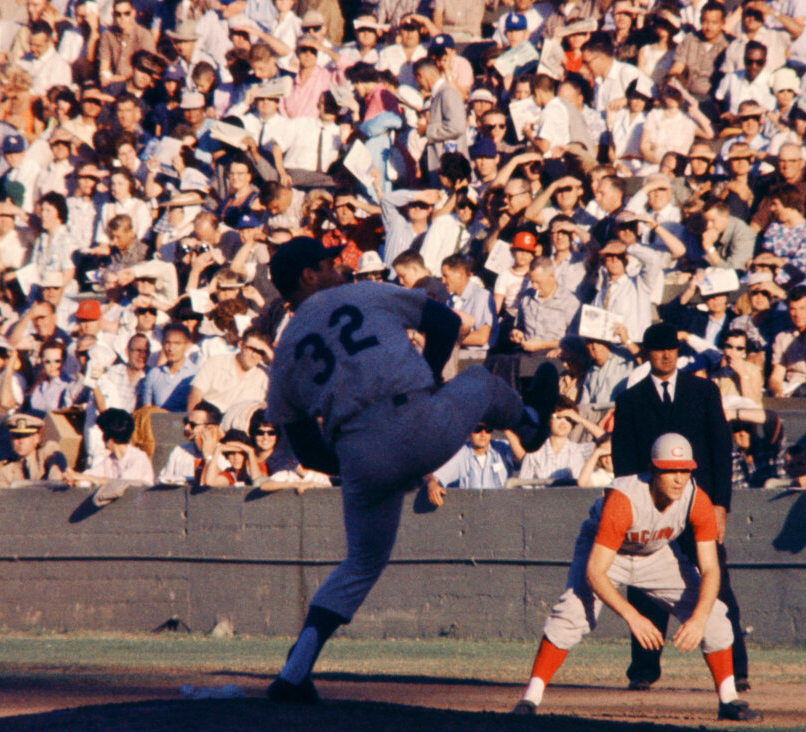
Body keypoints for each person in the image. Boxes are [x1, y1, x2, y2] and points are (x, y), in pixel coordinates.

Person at [262, 236, 557, 703]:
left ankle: (292, 676)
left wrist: (364, 463)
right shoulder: (362, 293)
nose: (340, 270)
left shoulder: (284, 353)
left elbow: (309, 452)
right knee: (479, 378)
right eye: (329, 264)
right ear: (307, 276)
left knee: (360, 563)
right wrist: (431, 379)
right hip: (417, 418)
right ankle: (532, 423)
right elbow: (444, 323)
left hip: (358, 453)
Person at [510, 433, 760, 722]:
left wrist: (699, 618)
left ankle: (728, 699)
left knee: (714, 614)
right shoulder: (624, 499)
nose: (679, 479)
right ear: (653, 470)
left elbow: (711, 569)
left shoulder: (696, 499)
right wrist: (633, 616)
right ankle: (531, 697)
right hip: (606, 553)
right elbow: (595, 571)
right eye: (669, 470)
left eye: (684, 470)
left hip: (656, 554)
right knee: (571, 614)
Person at [610, 323, 747, 693]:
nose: (666, 355)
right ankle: (643, 670)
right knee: (642, 586)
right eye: (658, 350)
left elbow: (721, 450)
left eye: (671, 348)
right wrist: (632, 510)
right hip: (650, 507)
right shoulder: (630, 399)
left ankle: (737, 670)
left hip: (698, 504)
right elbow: (624, 463)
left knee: (717, 580)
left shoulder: (703, 391)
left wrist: (721, 505)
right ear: (647, 353)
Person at [0, 412, 67, 487]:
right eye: (16, 437)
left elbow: (55, 481)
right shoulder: (6, 468)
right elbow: (4, 495)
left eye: (25, 436)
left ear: (37, 438)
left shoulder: (47, 452)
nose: (21, 441)